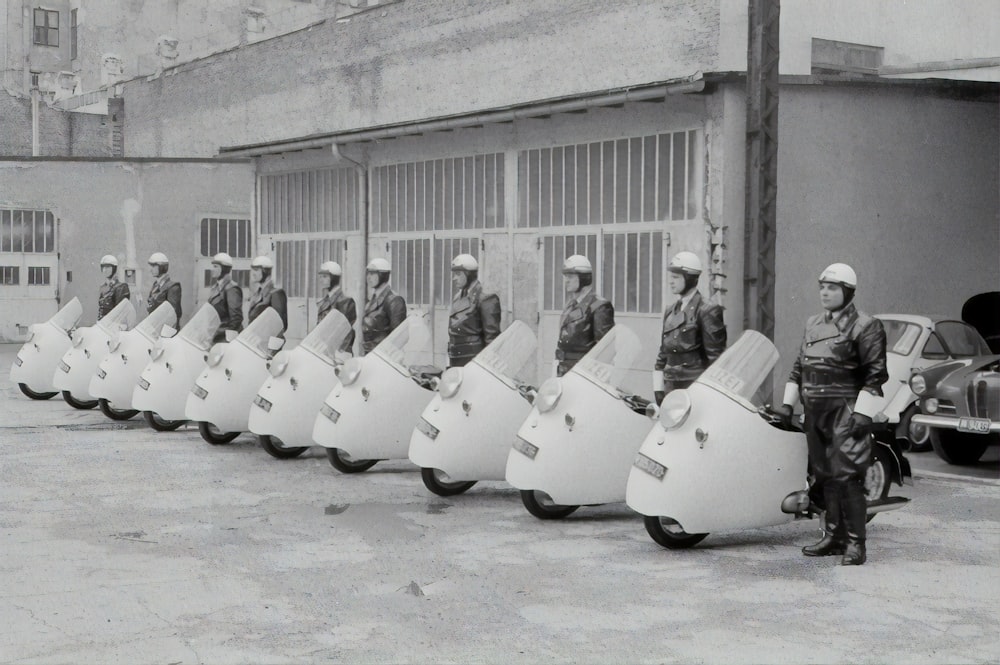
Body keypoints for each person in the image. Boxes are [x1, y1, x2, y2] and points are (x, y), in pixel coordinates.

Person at [777, 262, 888, 566]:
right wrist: (788, 404)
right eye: (822, 286)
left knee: (847, 476)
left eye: (832, 287)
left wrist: (863, 414)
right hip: (814, 411)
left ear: (848, 292)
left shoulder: (866, 326)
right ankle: (833, 536)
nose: (825, 292)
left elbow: (875, 375)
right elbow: (799, 367)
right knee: (825, 476)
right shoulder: (813, 323)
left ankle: (855, 544)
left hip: (846, 411)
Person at [653, 251, 727, 405]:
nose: (671, 282)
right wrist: (658, 389)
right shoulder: (670, 310)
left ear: (690, 279)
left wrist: (712, 396)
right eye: (671, 277)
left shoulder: (707, 310)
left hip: (694, 387)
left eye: (676, 277)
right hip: (670, 386)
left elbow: (716, 358)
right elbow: (663, 353)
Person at [555, 254, 614, 377]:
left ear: (584, 278)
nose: (566, 280)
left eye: (570, 276)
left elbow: (605, 351)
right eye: (565, 276)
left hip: (584, 374)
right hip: (564, 370)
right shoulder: (571, 305)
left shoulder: (599, 306)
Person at [447, 254, 501, 367]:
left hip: (474, 361)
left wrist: (488, 366)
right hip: (455, 359)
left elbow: (491, 338)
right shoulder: (457, 297)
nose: (454, 278)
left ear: (469, 274)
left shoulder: (485, 298)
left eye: (458, 274)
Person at [361, 258, 406, 354]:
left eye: (373, 274)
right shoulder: (372, 299)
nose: (368, 277)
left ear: (383, 275)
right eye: (368, 273)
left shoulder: (394, 300)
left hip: (384, 357)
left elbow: (398, 337)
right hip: (369, 354)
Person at [316, 260, 356, 354]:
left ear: (334, 278)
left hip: (338, 353)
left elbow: (346, 334)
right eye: (321, 276)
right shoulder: (324, 301)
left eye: (325, 277)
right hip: (323, 350)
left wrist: (340, 354)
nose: (321, 279)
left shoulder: (346, 302)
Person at [207, 252, 243, 343]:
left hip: (224, 339)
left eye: (216, 267)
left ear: (224, 269)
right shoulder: (216, 287)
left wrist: (225, 338)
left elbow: (236, 319)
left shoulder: (232, 289)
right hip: (214, 336)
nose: (212, 269)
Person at [246, 256, 288, 333]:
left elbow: (280, 324)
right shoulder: (258, 293)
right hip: (254, 340)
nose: (253, 274)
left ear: (266, 272)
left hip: (267, 341)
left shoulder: (276, 293)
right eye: (252, 270)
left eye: (256, 270)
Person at [146, 252, 182, 322]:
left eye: (153, 266)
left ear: (161, 267)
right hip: (153, 325)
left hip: (165, 330)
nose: (150, 269)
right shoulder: (155, 285)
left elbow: (173, 314)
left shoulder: (173, 287)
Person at [97, 254, 130, 320]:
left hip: (113, 325)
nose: (105, 270)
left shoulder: (121, 287)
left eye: (108, 267)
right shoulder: (103, 287)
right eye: (103, 267)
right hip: (102, 324)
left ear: (114, 268)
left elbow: (120, 312)